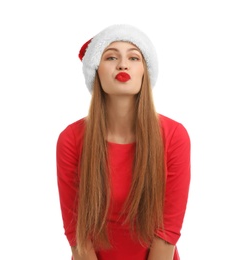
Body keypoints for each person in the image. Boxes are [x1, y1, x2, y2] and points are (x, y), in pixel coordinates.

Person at [56, 24, 191, 260]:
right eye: (110, 56)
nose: (123, 64)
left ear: (145, 72)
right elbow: (77, 236)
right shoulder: (71, 139)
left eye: (134, 57)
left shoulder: (174, 136)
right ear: (96, 70)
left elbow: (167, 235)